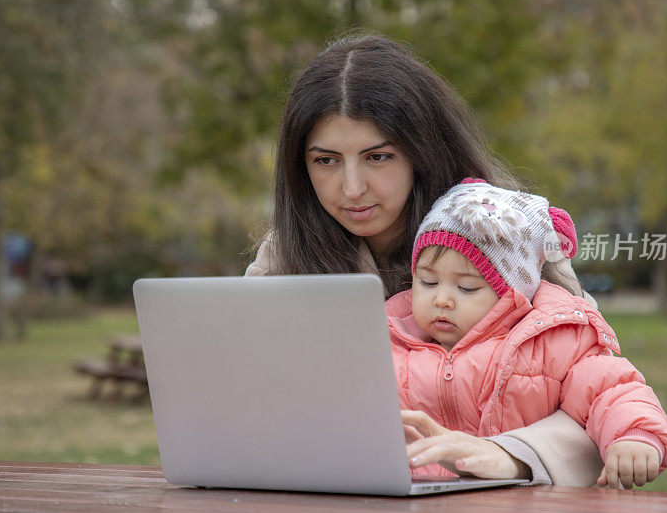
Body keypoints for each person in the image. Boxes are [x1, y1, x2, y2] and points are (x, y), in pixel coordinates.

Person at [246, 32, 613, 487]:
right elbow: (247, 396)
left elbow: (603, 393)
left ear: (421, 151)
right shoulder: (283, 258)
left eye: (377, 156)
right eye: (326, 161)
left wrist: (508, 455)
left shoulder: (504, 231)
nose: (352, 187)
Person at [390, 178, 667, 490]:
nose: (441, 299)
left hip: (522, 498)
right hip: (412, 497)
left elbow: (611, 389)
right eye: (428, 282)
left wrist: (635, 437)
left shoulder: (552, 339)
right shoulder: (389, 337)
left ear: (511, 293)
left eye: (467, 287)